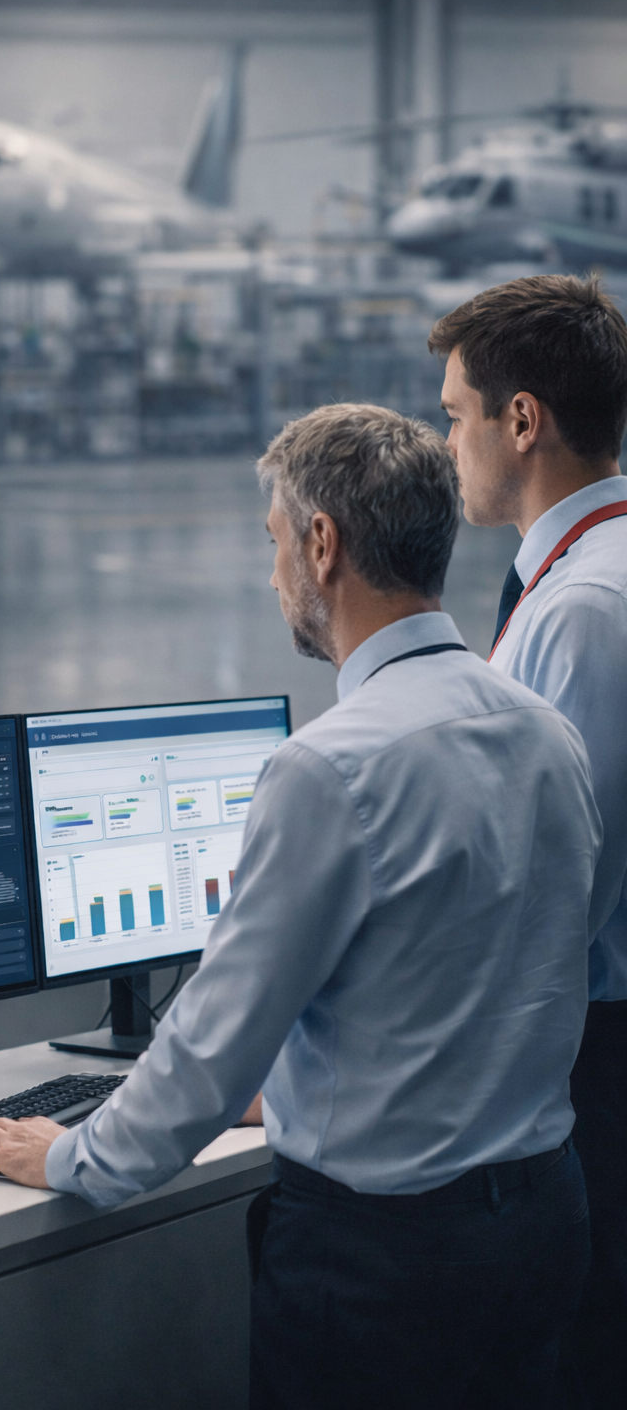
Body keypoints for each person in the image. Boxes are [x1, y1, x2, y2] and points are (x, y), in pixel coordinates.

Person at [0, 404, 603, 1409]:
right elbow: (493, 979)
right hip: (542, 1220)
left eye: (274, 542)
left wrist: (75, 1157)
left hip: (386, 1266)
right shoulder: (544, 732)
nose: (273, 578)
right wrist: (305, 1083)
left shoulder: (330, 769)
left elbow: (209, 1051)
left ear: (322, 544)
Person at [431, 274, 627, 1410]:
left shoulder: (584, 612)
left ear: (521, 420)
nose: (447, 445)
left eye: (456, 415)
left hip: (595, 1065)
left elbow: (558, 901)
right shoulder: (585, 577)